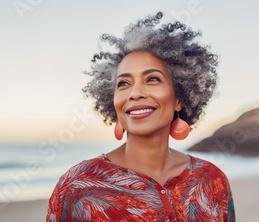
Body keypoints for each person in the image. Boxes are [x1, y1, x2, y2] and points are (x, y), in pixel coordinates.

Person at [46, 12, 235, 222]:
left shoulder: (212, 180)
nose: (135, 93)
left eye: (152, 79)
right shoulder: (76, 186)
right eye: (124, 83)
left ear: (178, 99)